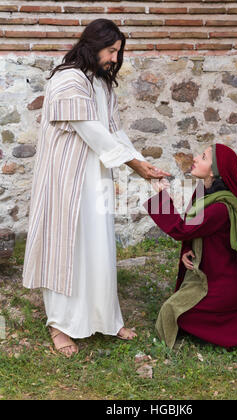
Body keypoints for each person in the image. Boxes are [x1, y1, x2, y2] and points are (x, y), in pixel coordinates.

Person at [22, 19, 170, 357]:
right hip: (65, 181)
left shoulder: (102, 86)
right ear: (93, 45)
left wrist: (141, 161)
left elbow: (114, 132)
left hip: (95, 177)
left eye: (119, 52)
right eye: (111, 50)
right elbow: (91, 130)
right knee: (67, 248)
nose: (115, 59)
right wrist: (135, 165)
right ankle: (60, 325)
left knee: (99, 246)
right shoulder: (67, 80)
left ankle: (107, 318)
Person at [143, 143, 237, 356]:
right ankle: (234, 317)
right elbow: (193, 229)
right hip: (210, 276)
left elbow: (181, 229)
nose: (196, 158)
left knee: (176, 312)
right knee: (173, 310)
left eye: (204, 157)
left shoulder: (220, 207)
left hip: (225, 284)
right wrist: (189, 248)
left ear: (215, 171)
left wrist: (161, 195)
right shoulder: (203, 194)